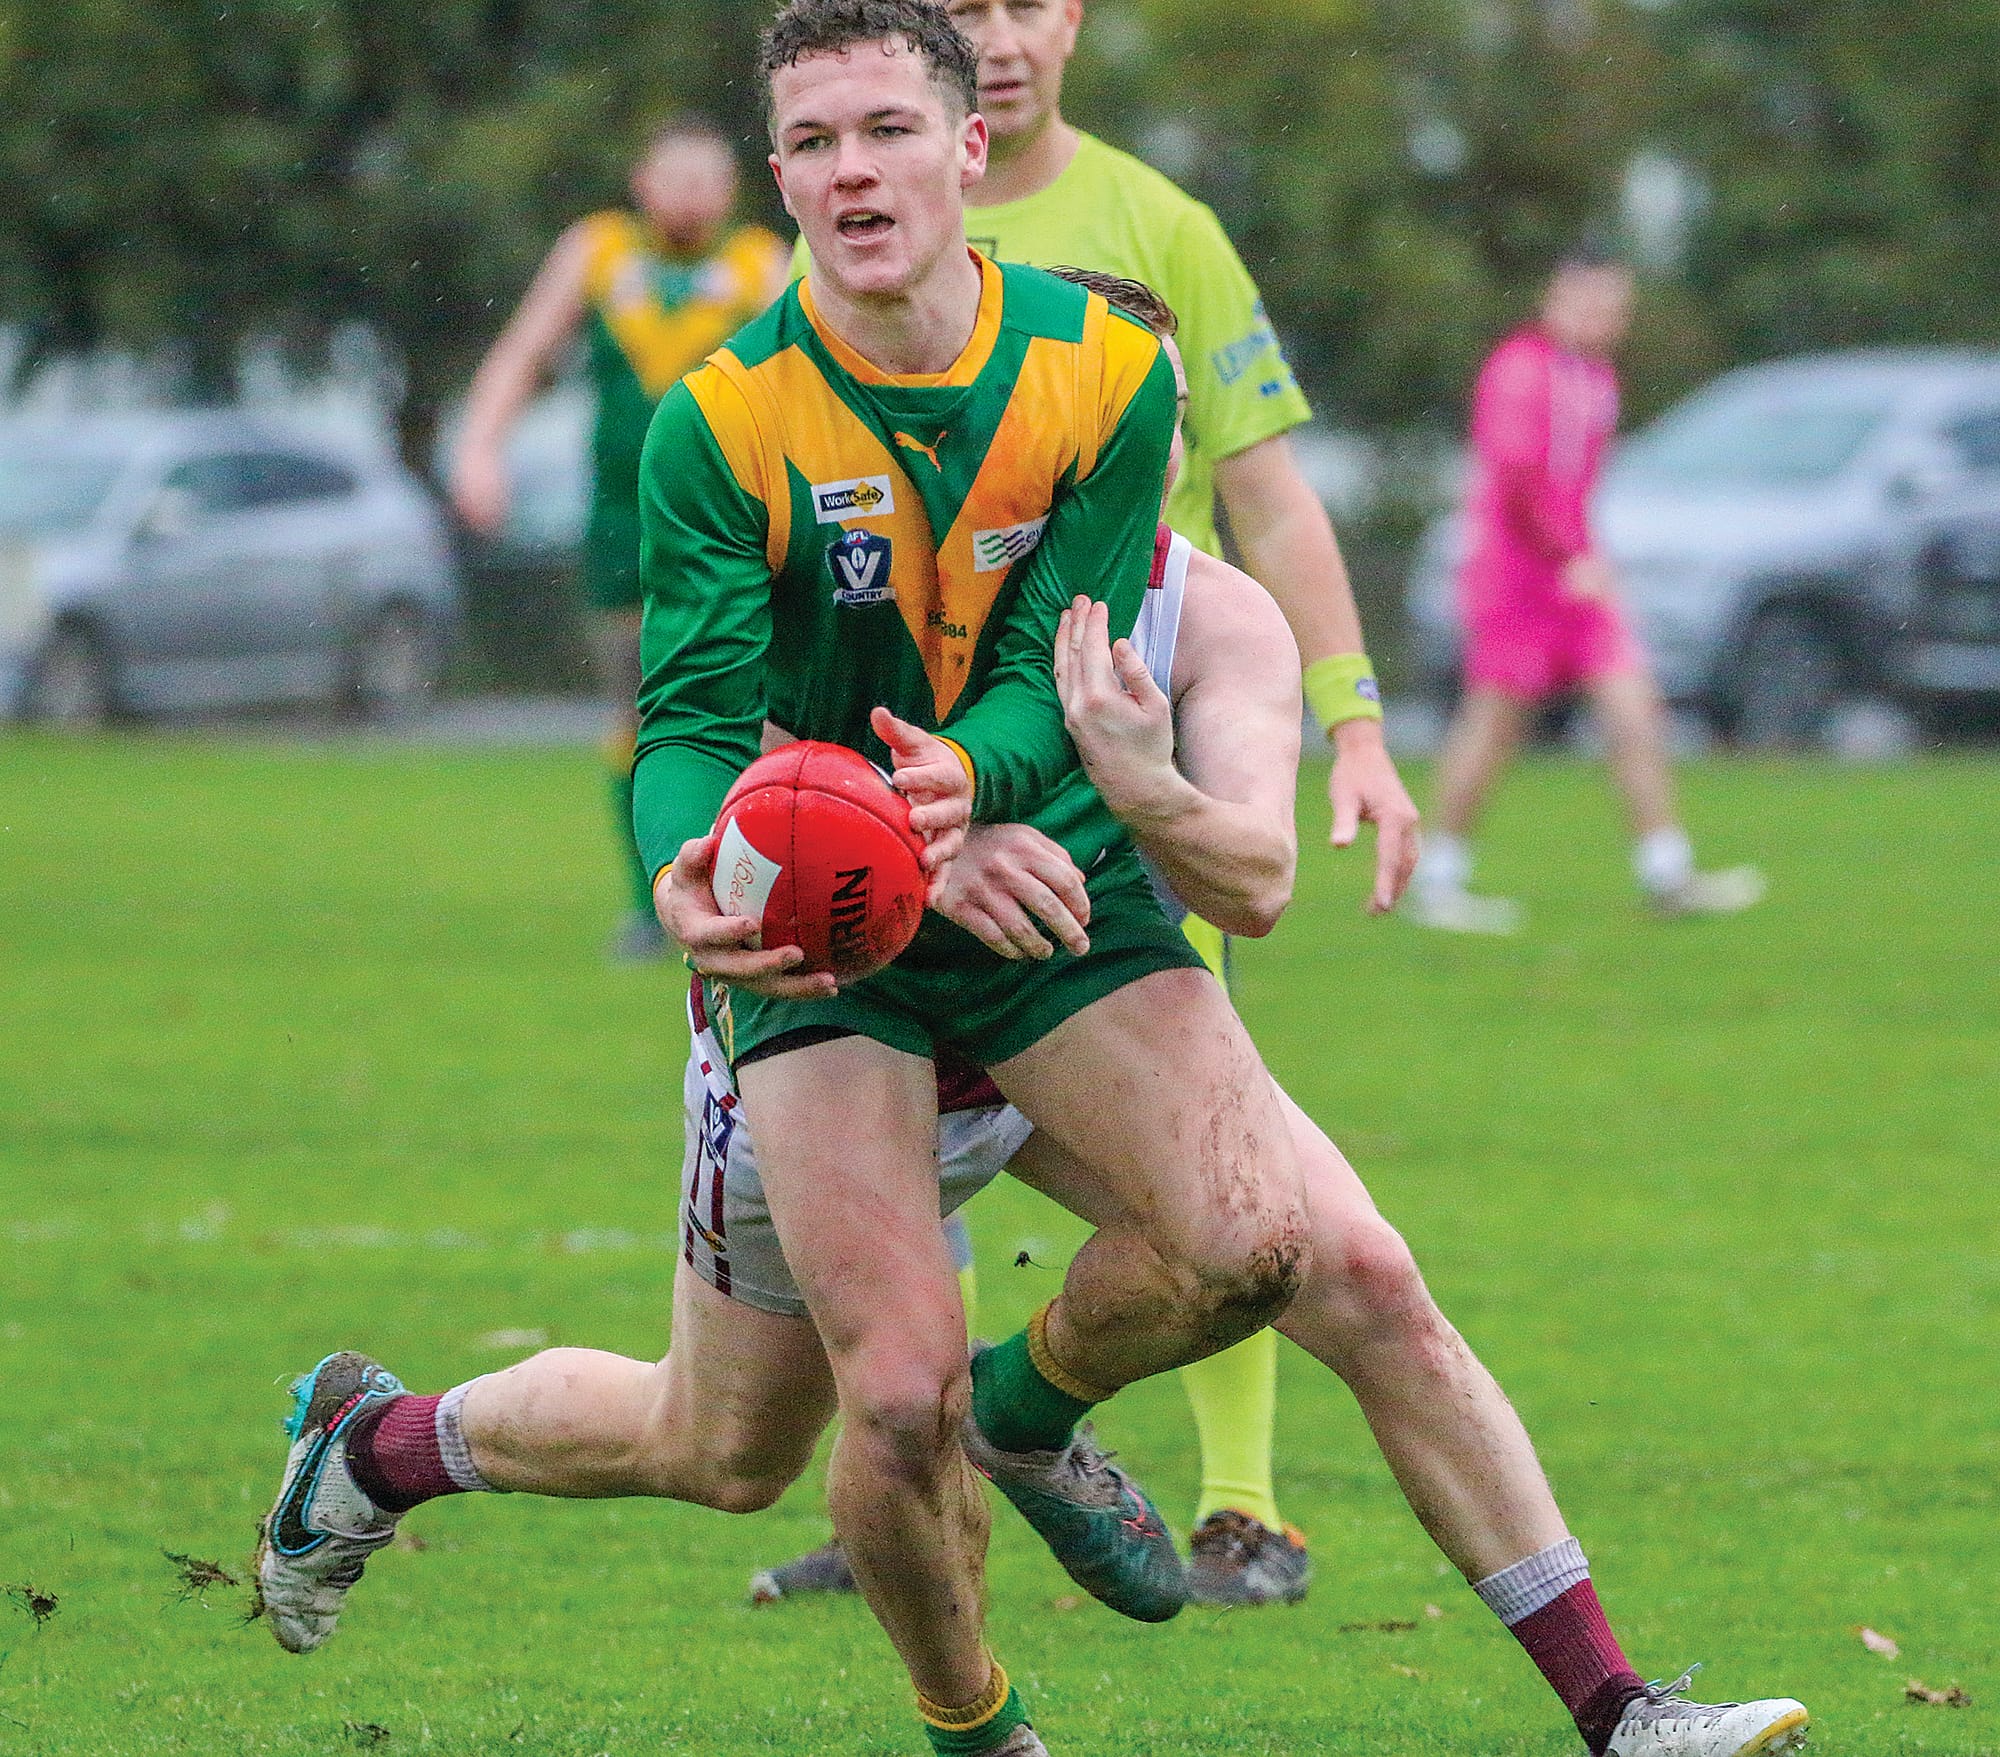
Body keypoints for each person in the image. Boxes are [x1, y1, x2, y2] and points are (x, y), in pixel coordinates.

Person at [252, 268, 1812, 1757]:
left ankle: (1617, 1706)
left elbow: (1260, 877)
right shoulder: (913, 580)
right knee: (729, 1449)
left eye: (1155, 432)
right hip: (840, 1029)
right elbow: (760, 767)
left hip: (1064, 1020)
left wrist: (1142, 788)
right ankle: (383, 1446)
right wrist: (924, 842)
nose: (1127, 469)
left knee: (1360, 1275)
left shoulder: (1214, 621)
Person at [261, 11, 1316, 1756]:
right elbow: (684, 715)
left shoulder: (1110, 379)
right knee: (746, 1444)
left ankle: (1038, 1412)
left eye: (885, 130)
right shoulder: (724, 421)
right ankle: (381, 1447)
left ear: (966, 147)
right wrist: (695, 858)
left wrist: (977, 773)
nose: (851, 171)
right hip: (816, 938)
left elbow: (1070, 663)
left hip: (1029, 901)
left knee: (1265, 1241)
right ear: (779, 178)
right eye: (813, 142)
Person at [773, 0, 1420, 1598]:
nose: (991, 31)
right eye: (962, 4)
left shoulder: (1161, 223)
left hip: (1143, 727)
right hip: (931, 773)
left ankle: (1241, 1499)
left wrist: (1351, 718)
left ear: (1066, 23)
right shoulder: (843, 222)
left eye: (1019, 1)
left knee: (1221, 1160)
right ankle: (924, 1473)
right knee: (904, 1160)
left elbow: (1266, 484)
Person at [450, 119, 790, 961]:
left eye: (709, 176)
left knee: (757, 707)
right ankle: (653, 895)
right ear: (641, 181)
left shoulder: (760, 261)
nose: (691, 193)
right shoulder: (598, 251)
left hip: (736, 523)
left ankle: (756, 882)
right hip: (621, 526)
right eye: (675, 175)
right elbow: (522, 354)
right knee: (636, 707)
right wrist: (479, 449)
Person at [1408, 245, 1765, 934]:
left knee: (1635, 709)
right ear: (1556, 299)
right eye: (1591, 302)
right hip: (1519, 581)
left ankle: (1666, 870)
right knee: (1494, 725)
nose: (1604, 318)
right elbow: (1515, 476)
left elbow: (1578, 485)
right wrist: (1565, 554)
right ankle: (1438, 874)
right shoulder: (1519, 370)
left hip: (1577, 579)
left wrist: (1587, 559)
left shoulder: (1595, 377)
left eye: (1615, 307)